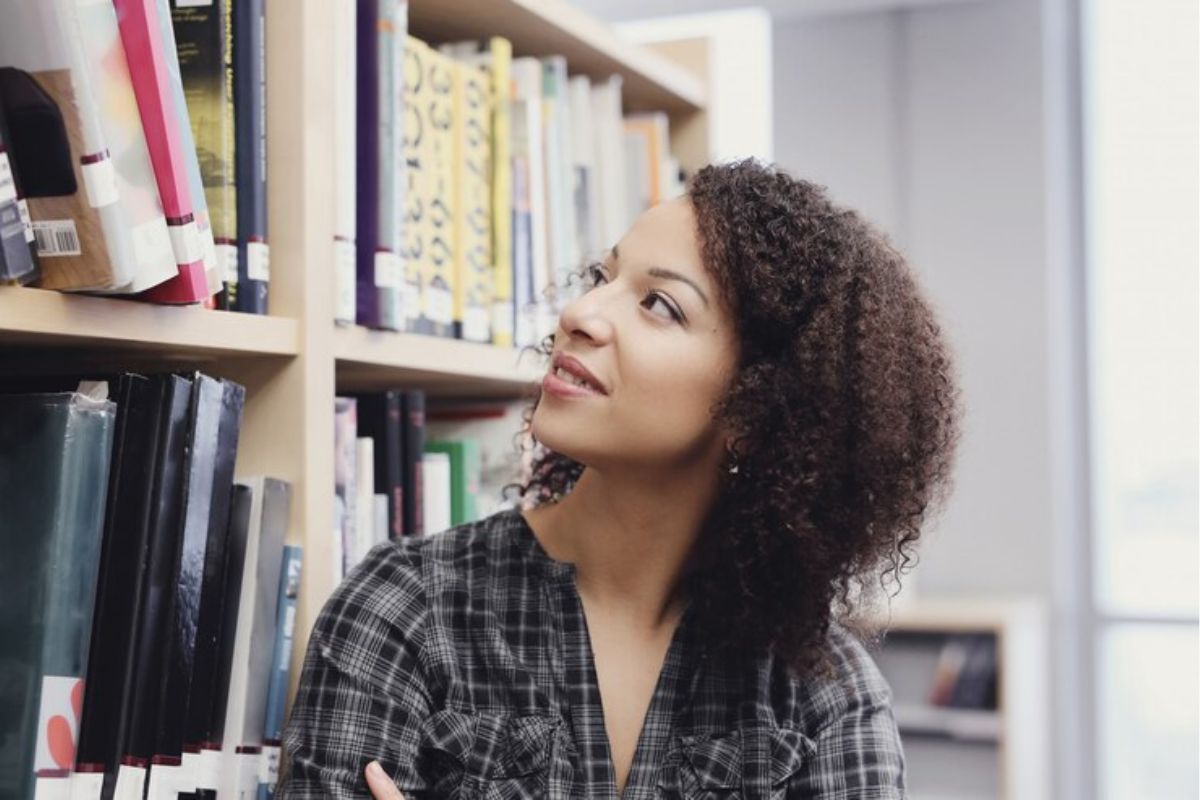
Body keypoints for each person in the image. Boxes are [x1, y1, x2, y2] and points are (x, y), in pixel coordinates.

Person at [278, 160, 962, 799]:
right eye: (604, 278)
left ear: (759, 407)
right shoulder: (403, 612)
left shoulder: (824, 699)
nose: (580, 314)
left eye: (659, 304)